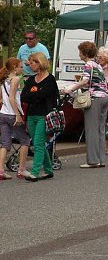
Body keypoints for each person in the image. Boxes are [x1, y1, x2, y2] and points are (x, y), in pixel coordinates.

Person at [63, 41, 108, 169]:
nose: (79, 54)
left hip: (95, 98)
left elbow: (85, 81)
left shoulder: (88, 65)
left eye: (80, 52)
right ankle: (101, 159)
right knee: (100, 129)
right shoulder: (97, 65)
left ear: (85, 53)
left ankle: (93, 160)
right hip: (105, 97)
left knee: (91, 130)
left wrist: (70, 89)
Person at [20, 52, 58, 181]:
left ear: (39, 63)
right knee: (40, 143)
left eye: (32, 63)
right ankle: (48, 170)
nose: (30, 65)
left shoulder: (50, 79)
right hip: (31, 115)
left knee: (37, 143)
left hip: (44, 115)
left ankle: (35, 172)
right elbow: (24, 96)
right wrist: (36, 95)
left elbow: (44, 95)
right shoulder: (31, 79)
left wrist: (34, 95)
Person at [0, 58, 29, 180]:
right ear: (14, 68)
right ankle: (21, 169)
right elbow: (12, 97)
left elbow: (2, 99)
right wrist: (17, 114)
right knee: (25, 140)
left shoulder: (4, 80)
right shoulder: (16, 79)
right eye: (20, 66)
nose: (22, 69)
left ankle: (1, 170)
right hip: (12, 114)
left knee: (5, 143)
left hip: (3, 113)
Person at [97, 46, 108, 156]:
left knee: (107, 121)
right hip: (100, 96)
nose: (99, 59)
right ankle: (107, 143)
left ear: (107, 57)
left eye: (101, 57)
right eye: (98, 57)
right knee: (102, 121)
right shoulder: (97, 68)